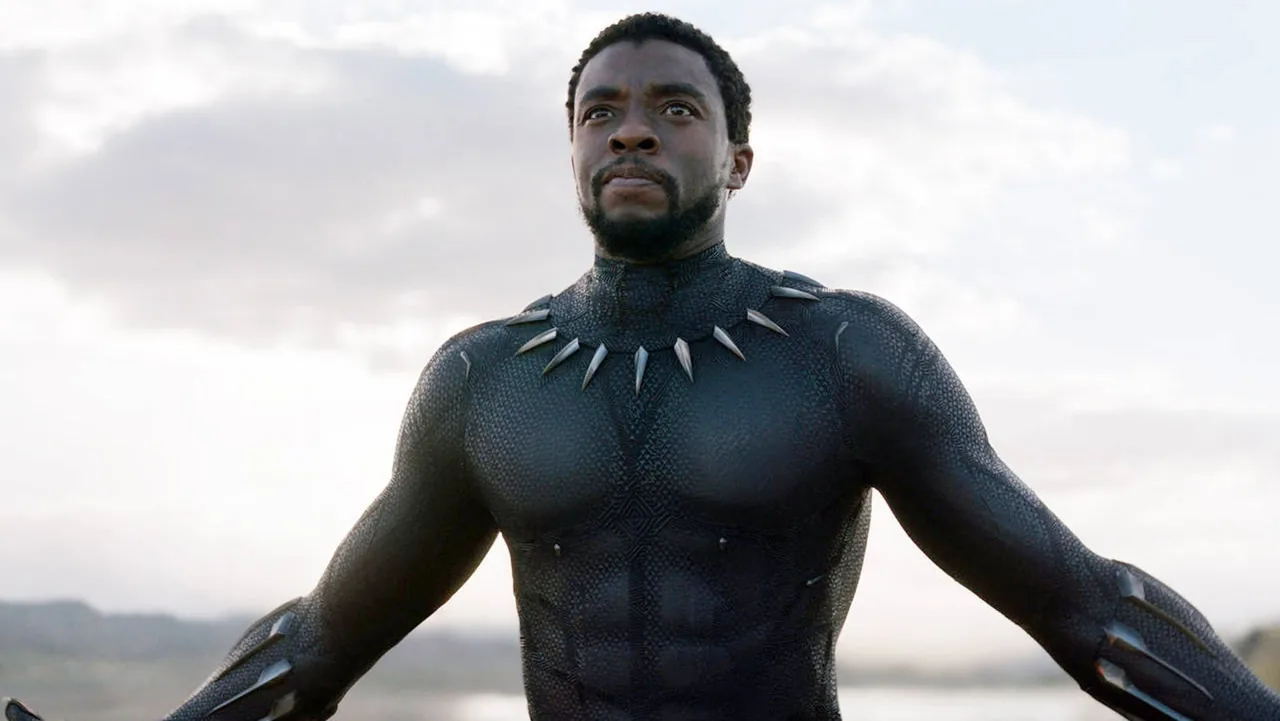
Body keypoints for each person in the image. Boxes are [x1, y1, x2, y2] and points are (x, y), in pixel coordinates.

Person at [6, 12, 1279, 721]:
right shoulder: (482, 381)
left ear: (736, 161)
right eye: (599, 112)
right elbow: (322, 641)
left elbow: (1085, 608)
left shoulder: (844, 351)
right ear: (568, 152)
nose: (630, 130)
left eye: (674, 109)